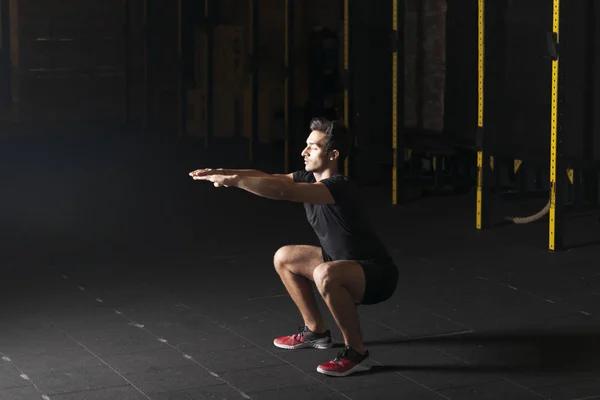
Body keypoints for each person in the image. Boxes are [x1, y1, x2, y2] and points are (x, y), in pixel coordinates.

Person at [189, 117, 398, 377]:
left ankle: (356, 353)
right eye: (306, 145)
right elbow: (269, 178)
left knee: (326, 273)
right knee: (285, 257)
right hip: (339, 262)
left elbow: (281, 192)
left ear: (333, 154)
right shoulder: (308, 178)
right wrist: (223, 172)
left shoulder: (339, 187)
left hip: (376, 275)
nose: (304, 152)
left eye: (314, 147)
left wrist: (233, 181)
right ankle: (316, 332)